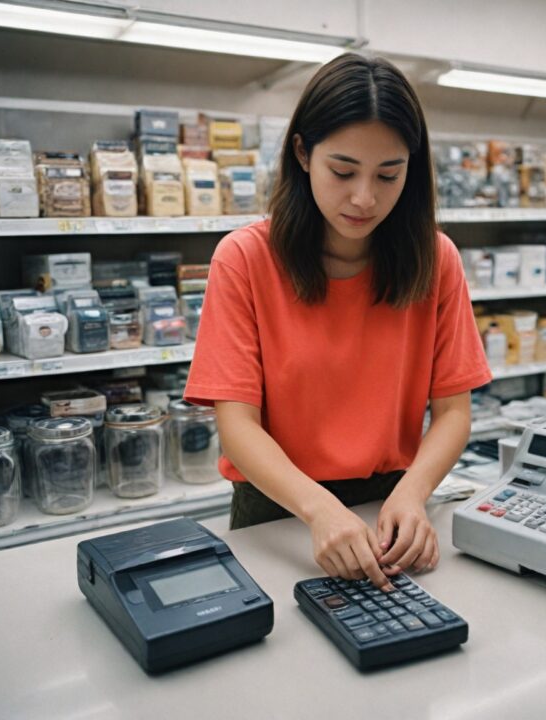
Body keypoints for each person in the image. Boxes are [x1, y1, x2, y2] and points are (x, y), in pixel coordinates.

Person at [183, 52, 491, 591]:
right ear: (302, 152)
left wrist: (414, 494)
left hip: (395, 507)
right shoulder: (245, 259)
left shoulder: (436, 259)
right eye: (343, 171)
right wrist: (318, 509)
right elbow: (237, 427)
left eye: (389, 175)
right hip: (280, 511)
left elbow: (453, 413)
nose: (364, 198)